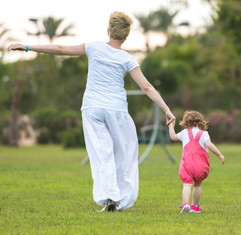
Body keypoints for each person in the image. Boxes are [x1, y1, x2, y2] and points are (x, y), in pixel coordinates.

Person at [8, 11, 176, 212]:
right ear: (126, 35)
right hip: (116, 110)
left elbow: (61, 49)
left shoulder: (94, 47)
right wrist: (167, 109)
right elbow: (147, 87)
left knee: (102, 154)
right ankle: (118, 197)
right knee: (124, 154)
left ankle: (110, 197)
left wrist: (27, 47)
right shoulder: (127, 58)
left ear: (108, 30)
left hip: (92, 109)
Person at [168, 110, 225, 213]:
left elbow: (173, 136)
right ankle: (194, 207)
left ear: (186, 123)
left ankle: (185, 204)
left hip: (187, 165)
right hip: (200, 165)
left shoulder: (184, 133)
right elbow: (209, 145)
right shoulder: (204, 134)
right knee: (198, 185)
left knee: (186, 185)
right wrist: (219, 155)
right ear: (201, 122)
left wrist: (171, 125)